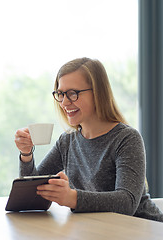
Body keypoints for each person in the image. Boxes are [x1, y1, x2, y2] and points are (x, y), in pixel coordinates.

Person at [14, 57, 163, 222]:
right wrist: (26, 154)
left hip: (145, 229)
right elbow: (30, 193)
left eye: (72, 93)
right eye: (61, 94)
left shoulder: (127, 139)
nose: (64, 102)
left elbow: (127, 203)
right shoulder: (67, 142)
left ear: (98, 93)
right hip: (100, 230)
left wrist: (72, 198)